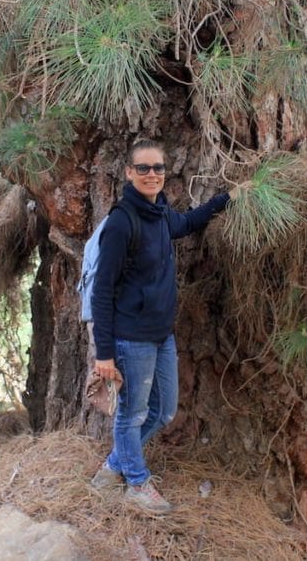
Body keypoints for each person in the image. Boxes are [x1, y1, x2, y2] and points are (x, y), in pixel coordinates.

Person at [89, 139, 234, 514]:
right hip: (130, 338)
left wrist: (225, 200)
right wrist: (103, 353)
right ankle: (137, 485)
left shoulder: (160, 212)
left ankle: (112, 468)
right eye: (143, 168)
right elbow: (101, 292)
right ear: (128, 173)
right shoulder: (123, 223)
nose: (151, 175)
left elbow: (185, 224)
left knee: (163, 412)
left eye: (157, 168)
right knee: (132, 414)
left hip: (161, 335)